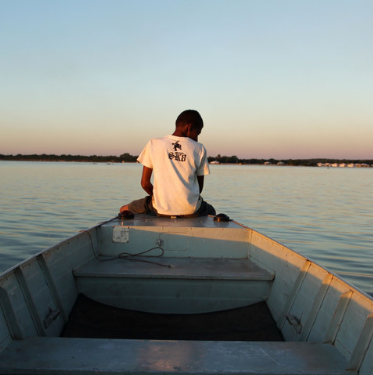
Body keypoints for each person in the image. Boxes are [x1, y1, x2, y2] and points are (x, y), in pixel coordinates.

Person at [120, 109, 215, 217]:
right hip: (191, 210)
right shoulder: (199, 148)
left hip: (160, 208)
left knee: (123, 209)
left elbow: (145, 183)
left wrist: (160, 198)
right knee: (211, 212)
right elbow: (199, 188)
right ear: (190, 127)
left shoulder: (154, 143)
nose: (197, 138)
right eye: (197, 133)